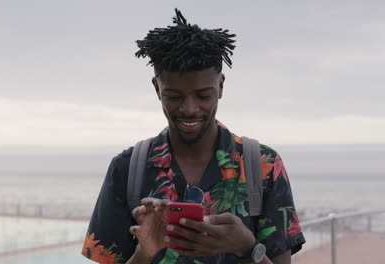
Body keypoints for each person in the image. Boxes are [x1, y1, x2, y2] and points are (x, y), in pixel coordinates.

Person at [82, 9, 305, 264]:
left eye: (203, 95)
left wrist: (247, 247)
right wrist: (145, 253)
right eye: (174, 96)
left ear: (221, 86)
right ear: (157, 88)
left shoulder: (263, 165)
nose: (189, 108)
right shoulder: (127, 168)